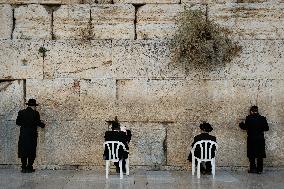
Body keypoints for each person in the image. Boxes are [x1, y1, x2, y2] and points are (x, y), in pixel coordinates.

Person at [16, 99, 45, 173]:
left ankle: (23, 167)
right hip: (32, 135)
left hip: (23, 134)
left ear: (28, 105)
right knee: (31, 150)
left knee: (23, 150)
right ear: (34, 106)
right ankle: (29, 167)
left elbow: (18, 122)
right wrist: (43, 125)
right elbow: (38, 123)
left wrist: (25, 124)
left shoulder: (21, 112)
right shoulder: (35, 113)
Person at [239, 106, 269, 174]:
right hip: (260, 139)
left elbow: (245, 127)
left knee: (251, 154)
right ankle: (259, 170)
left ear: (251, 111)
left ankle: (253, 169)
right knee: (260, 155)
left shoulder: (249, 118)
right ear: (257, 111)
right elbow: (267, 128)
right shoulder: (262, 118)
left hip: (251, 139)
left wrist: (241, 124)